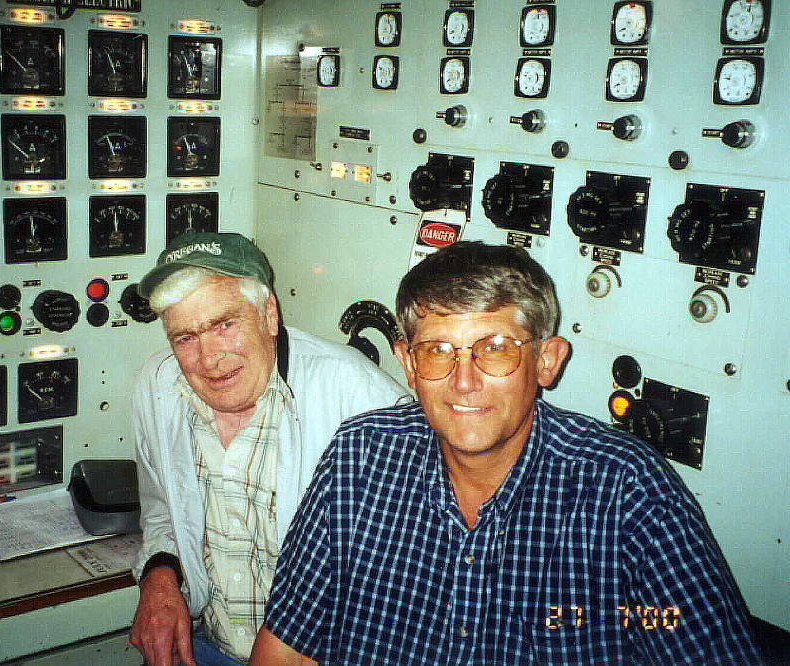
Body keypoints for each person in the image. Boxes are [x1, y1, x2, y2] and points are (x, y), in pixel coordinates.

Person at [252, 241, 761, 665]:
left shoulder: (629, 496)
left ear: (547, 361)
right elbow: (286, 650)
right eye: (438, 350)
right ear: (408, 364)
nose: (464, 381)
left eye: (495, 348)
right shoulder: (358, 458)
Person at [128, 232, 409, 666]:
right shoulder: (158, 385)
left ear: (269, 314)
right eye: (185, 337)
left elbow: (416, 561)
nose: (209, 358)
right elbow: (161, 505)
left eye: (225, 324)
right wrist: (160, 575)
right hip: (200, 645)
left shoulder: (359, 398)